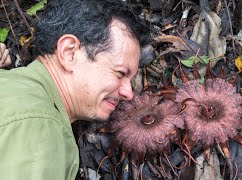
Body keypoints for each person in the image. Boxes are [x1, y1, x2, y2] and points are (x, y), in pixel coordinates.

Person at [0, 0, 150, 179]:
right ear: (69, 52)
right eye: (119, 73)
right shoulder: (39, 128)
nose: (129, 93)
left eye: (131, 80)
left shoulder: (14, 91)